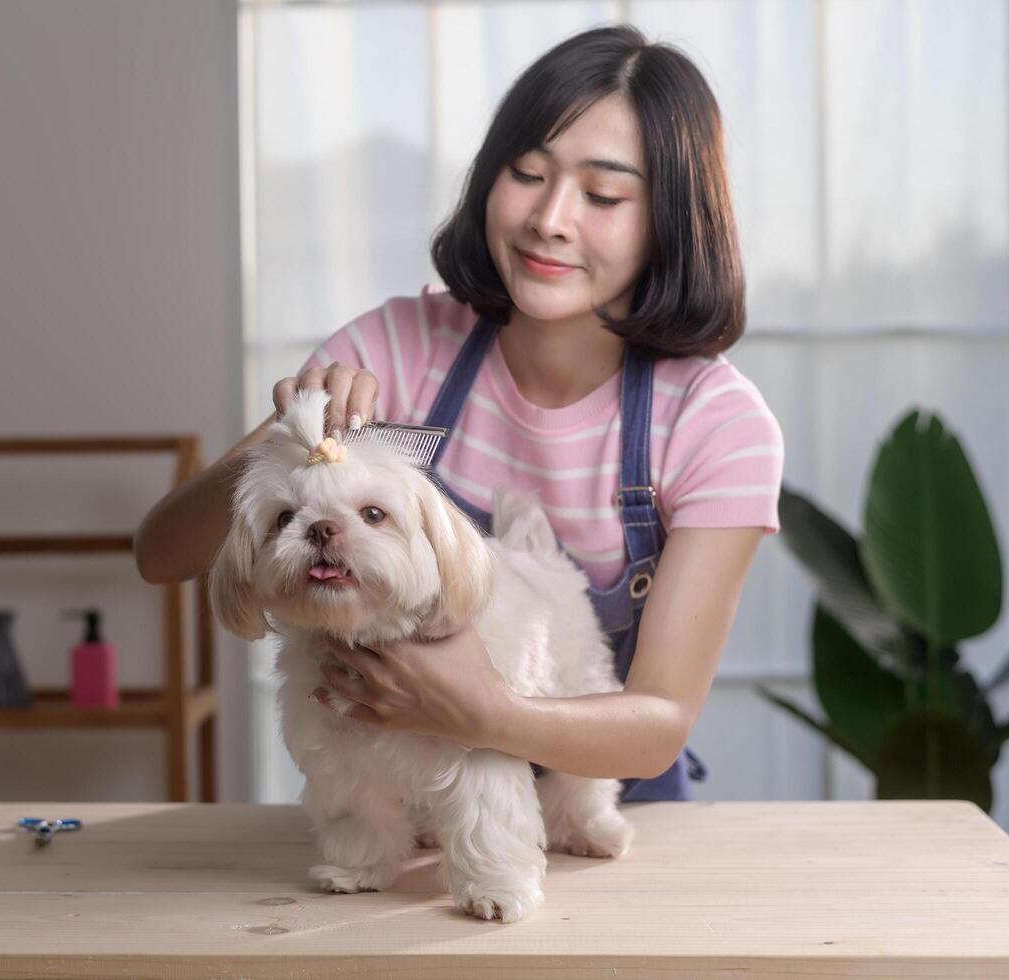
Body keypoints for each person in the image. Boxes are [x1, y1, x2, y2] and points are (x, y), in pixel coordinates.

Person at [135, 24, 784, 801]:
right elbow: (160, 555)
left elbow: (656, 726)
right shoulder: (398, 352)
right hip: (410, 818)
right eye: (525, 173)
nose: (550, 218)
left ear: (669, 222)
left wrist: (484, 713)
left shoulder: (713, 426)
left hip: (607, 822)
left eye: (603, 194)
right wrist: (287, 441)